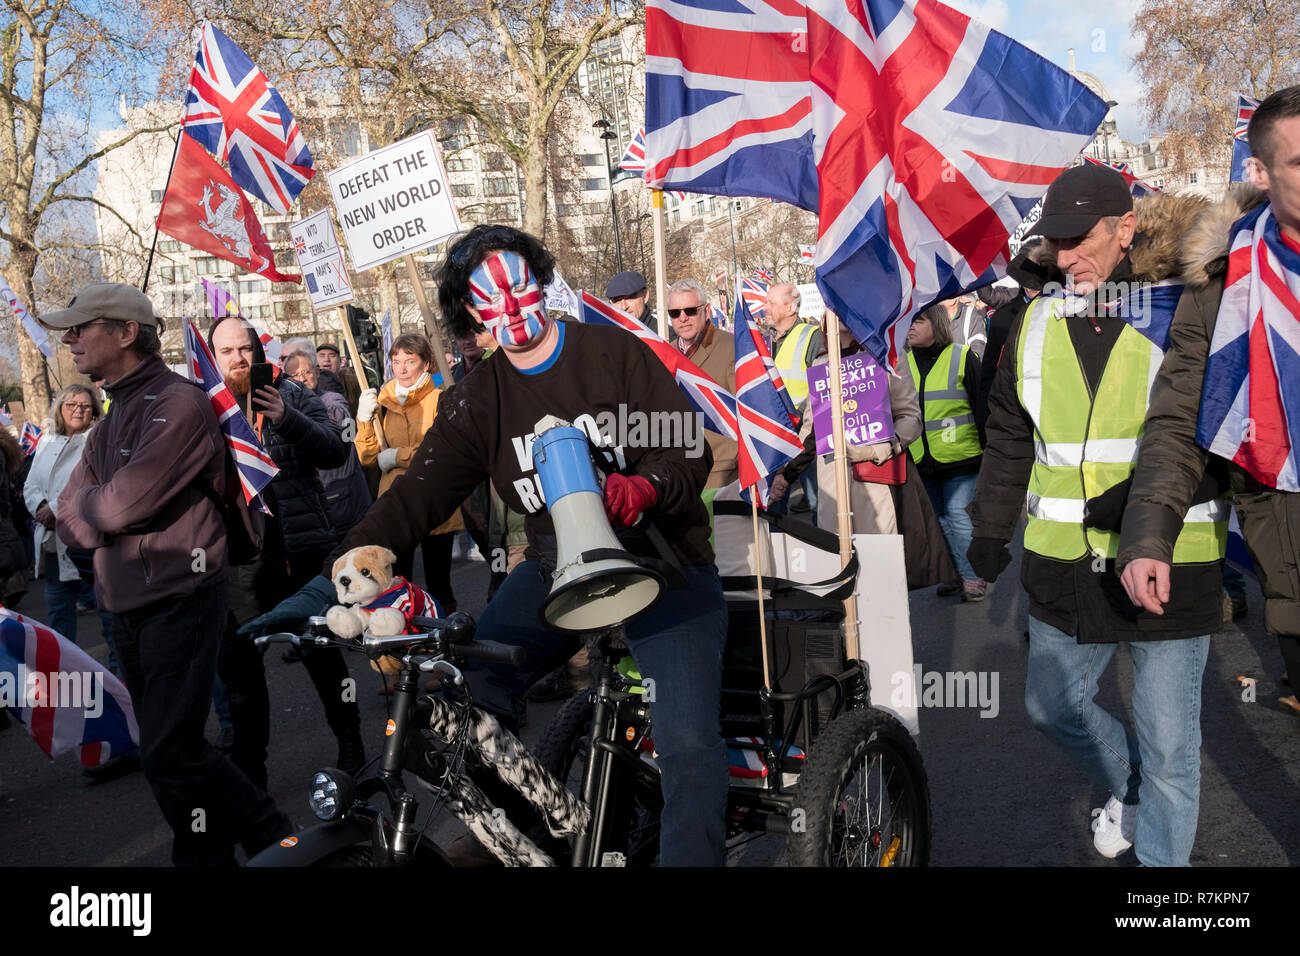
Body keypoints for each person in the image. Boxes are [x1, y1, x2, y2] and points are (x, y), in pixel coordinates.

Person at [242, 224, 729, 866]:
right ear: (472, 312)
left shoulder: (615, 355)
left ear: (540, 279)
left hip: (665, 564)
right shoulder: (477, 399)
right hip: (559, 569)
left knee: (690, 744)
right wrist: (333, 576)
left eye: (519, 285)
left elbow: (688, 450)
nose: (509, 308)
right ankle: (549, 834)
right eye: (487, 299)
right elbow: (414, 498)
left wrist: (646, 485)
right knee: (463, 701)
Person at [967, 165, 1228, 867]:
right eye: (1055, 242)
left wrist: (1148, 499)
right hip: (1063, 564)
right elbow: (1010, 434)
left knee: (1172, 747)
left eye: (1081, 240)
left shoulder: (1187, 306)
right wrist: (990, 528)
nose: (1067, 256)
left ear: (1126, 229)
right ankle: (1129, 783)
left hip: (1174, 562)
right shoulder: (1033, 318)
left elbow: (1226, 426)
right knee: (1054, 709)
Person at [48, 282, 290, 866]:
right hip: (125, 604)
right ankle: (211, 854)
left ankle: (274, 837)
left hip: (177, 597)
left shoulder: (177, 403)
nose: (71, 337)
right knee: (165, 752)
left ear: (127, 333)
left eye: (83, 325)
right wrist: (96, 511)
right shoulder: (112, 417)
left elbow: (111, 509)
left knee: (171, 749)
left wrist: (97, 510)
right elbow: (67, 516)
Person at [1118, 85, 1300, 717]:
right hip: (1289, 553)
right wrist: (1147, 538)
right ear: (1261, 173)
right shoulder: (1223, 280)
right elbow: (1176, 416)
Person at [209, 315, 364, 784]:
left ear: (258, 351)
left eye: (245, 348)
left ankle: (351, 742)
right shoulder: (205, 408)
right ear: (213, 359)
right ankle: (251, 770)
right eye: (227, 351)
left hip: (302, 548)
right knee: (241, 668)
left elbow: (335, 452)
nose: (239, 359)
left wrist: (286, 418)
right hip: (244, 561)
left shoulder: (291, 394)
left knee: (323, 653)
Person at [771, 319, 956, 589]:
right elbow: (812, 433)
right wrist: (785, 475)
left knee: (881, 583)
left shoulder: (887, 357)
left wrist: (879, 448)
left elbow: (910, 418)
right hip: (833, 485)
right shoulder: (821, 364)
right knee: (842, 581)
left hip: (876, 483)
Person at [354, 332, 464, 614]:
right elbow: (367, 456)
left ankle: (448, 640)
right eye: (396, 361)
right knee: (397, 582)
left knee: (438, 582)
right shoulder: (382, 401)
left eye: (410, 361)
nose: (401, 368)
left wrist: (398, 456)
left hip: (434, 501)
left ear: (426, 364)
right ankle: (406, 641)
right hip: (395, 503)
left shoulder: (441, 398)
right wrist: (364, 419)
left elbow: (443, 452)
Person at [905, 303, 988, 601]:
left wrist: (988, 451)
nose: (912, 327)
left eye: (920, 321)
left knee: (957, 516)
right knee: (939, 519)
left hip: (960, 457)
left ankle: (973, 578)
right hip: (921, 458)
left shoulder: (962, 357)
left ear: (937, 325)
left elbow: (982, 406)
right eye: (911, 322)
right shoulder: (904, 362)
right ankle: (956, 573)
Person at [23, 385, 114, 649]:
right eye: (71, 404)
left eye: (85, 406)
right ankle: (64, 680)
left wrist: (55, 508)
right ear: (60, 408)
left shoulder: (96, 440)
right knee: (59, 621)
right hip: (52, 546)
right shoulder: (46, 441)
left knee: (108, 618)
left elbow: (90, 482)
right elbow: (30, 484)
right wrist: (41, 506)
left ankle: (118, 680)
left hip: (85, 546)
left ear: (93, 412)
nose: (78, 410)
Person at [281, 347, 371, 537]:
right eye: (294, 374)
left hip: (345, 499)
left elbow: (348, 440)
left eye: (306, 371)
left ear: (317, 372)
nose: (301, 378)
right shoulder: (284, 408)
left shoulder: (334, 402)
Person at [667, 277, 738, 489]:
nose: (683, 318)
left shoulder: (731, 347)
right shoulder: (665, 354)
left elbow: (751, 412)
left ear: (706, 311)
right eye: (675, 313)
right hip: (683, 475)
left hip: (726, 474)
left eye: (690, 310)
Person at [316, 342, 362, 414]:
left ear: (340, 361)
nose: (327, 359)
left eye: (332, 355)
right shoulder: (311, 383)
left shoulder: (353, 380)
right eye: (322, 356)